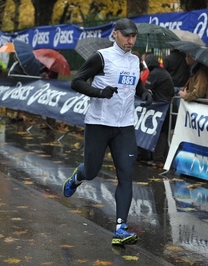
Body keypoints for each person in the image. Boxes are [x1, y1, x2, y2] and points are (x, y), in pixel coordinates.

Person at [62, 18, 153, 245]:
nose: (131, 40)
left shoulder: (134, 61)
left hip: (124, 127)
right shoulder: (101, 58)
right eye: (126, 36)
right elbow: (76, 82)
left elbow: (135, 86)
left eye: (133, 36)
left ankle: (120, 228)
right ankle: (77, 177)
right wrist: (99, 92)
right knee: (92, 171)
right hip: (99, 124)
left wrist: (145, 93)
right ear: (115, 34)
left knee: (126, 175)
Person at [144, 53, 174, 168]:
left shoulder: (155, 73)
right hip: (166, 106)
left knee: (161, 134)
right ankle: (162, 158)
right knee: (163, 134)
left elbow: (146, 89)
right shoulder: (161, 71)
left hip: (162, 107)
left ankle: (158, 160)